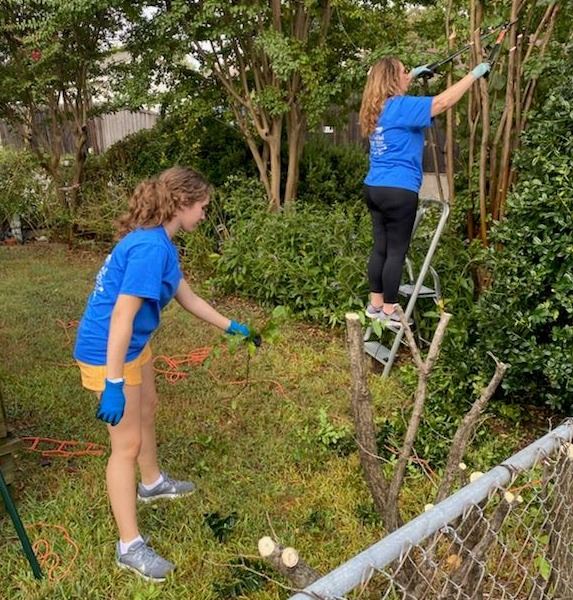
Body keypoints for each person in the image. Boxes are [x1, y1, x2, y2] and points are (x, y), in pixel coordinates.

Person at [73, 166, 250, 582]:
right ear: (182, 204)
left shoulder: (161, 243)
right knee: (125, 447)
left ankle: (152, 483)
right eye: (202, 208)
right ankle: (129, 546)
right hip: (108, 351)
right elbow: (120, 316)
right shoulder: (150, 249)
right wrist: (113, 384)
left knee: (148, 406)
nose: (205, 215)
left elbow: (185, 296)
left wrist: (231, 326)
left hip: (133, 345)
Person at [359, 57, 491, 326]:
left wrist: (415, 74)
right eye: (403, 72)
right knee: (397, 251)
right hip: (399, 190)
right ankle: (389, 311)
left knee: (381, 248)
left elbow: (395, 86)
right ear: (392, 80)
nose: (407, 74)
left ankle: (375, 305)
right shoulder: (401, 107)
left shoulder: (376, 108)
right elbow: (441, 102)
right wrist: (474, 75)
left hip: (374, 188)